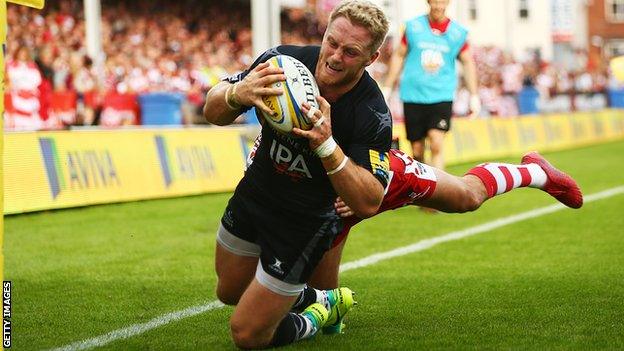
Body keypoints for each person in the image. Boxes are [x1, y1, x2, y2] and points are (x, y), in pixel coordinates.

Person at [202, 1, 392, 348]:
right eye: (332, 42)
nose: (335, 56)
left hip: (303, 224)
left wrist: (326, 145)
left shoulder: (372, 114)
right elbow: (212, 109)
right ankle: (318, 299)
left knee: (247, 333)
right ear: (325, 32)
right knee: (228, 291)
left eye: (351, 52)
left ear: (371, 58)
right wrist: (235, 93)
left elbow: (369, 200)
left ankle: (314, 317)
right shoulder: (282, 62)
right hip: (254, 196)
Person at [306, 148, 583, 292]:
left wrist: (362, 185)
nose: (336, 55)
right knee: (323, 302)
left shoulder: (361, 96)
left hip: (382, 177)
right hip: (324, 201)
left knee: (467, 196)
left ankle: (536, 172)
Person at [382, 0, 480, 171]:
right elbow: (398, 56)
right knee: (417, 150)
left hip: (441, 95)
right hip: (413, 95)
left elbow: (468, 63)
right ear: (429, 3)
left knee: (436, 143)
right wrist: (388, 87)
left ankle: (439, 191)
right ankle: (423, 187)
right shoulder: (413, 27)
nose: (438, 6)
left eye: (442, 2)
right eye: (435, 2)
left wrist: (474, 96)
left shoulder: (458, 33)